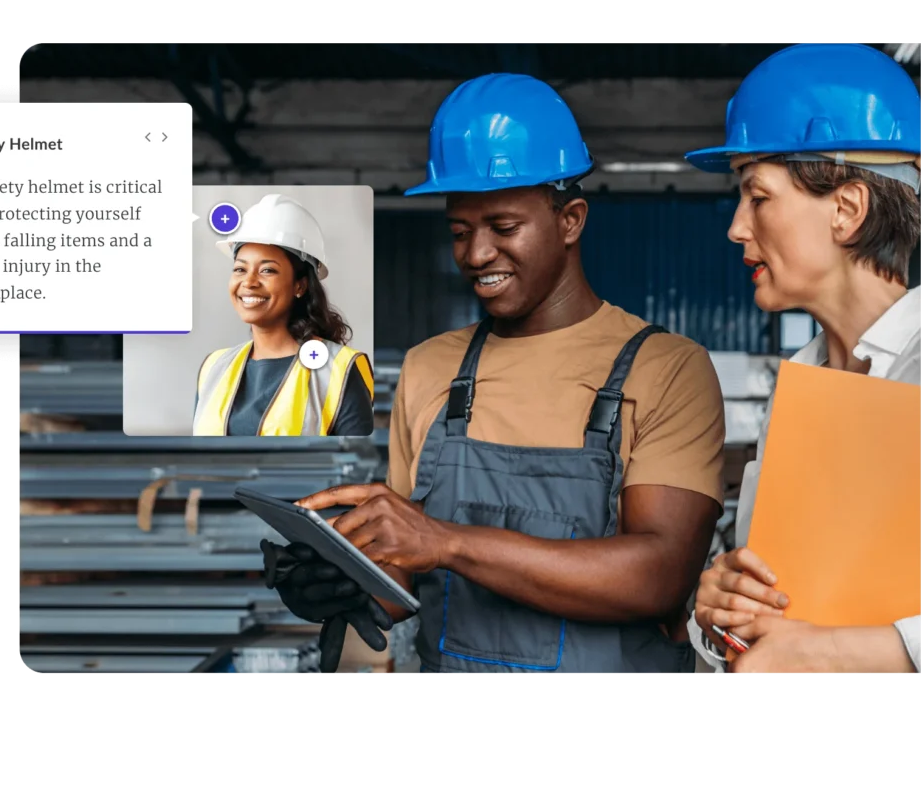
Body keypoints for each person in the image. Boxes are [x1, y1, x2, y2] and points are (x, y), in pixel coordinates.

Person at [262, 73, 728, 676]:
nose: (477, 254)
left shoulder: (665, 369)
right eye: (460, 232)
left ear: (571, 220)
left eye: (504, 228)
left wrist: (449, 542)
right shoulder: (434, 368)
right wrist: (344, 579)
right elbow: (407, 566)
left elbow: (658, 577)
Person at [683, 42, 922, 676]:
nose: (737, 227)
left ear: (846, 209)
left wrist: (838, 655)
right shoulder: (800, 390)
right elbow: (771, 622)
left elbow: (808, 649)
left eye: (757, 197)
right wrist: (716, 615)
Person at [192, 193, 374, 437]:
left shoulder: (342, 368)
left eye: (267, 270)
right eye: (240, 269)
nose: (249, 282)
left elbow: (358, 467)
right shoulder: (213, 367)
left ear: (300, 285)